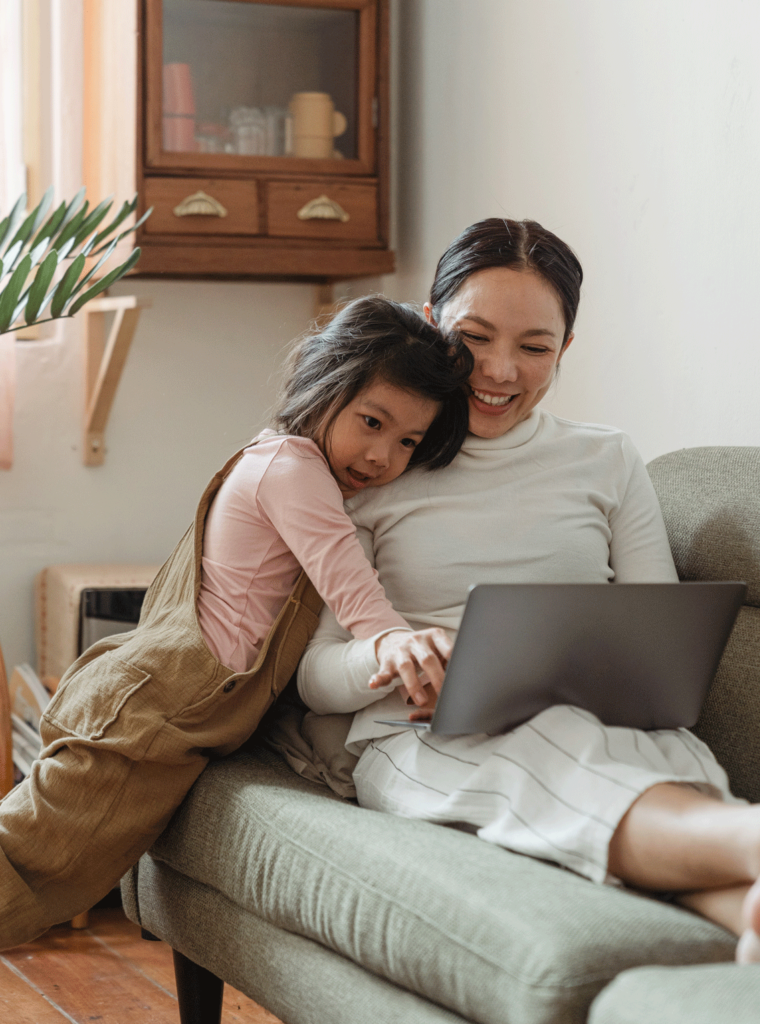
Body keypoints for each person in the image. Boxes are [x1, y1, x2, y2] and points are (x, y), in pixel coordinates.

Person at [297, 218, 760, 965]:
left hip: (607, 719)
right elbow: (316, 678)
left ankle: (745, 908)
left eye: (534, 347)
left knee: (619, 752)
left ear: (565, 350)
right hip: (426, 735)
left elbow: (661, 634)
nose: (498, 371)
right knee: (557, 750)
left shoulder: (606, 459)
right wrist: (391, 652)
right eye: (472, 338)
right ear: (428, 323)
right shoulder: (380, 462)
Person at [0, 296, 471, 950]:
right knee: (29, 860)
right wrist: (398, 641)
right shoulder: (292, 471)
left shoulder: (283, 463)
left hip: (171, 716)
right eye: (371, 421)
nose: (382, 455)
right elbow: (351, 588)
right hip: (155, 714)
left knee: (49, 872)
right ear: (322, 383)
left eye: (407, 442)